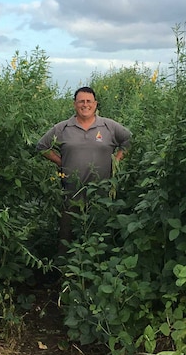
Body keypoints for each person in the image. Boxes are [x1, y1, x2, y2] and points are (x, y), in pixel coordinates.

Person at [37, 86, 131, 254]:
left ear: (95, 104)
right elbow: (42, 146)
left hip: (101, 193)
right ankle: (64, 273)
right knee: (67, 236)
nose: (85, 104)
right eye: (81, 101)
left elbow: (128, 140)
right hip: (71, 194)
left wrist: (116, 161)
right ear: (74, 104)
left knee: (100, 234)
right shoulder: (63, 128)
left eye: (89, 101)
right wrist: (61, 162)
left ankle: (97, 272)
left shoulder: (109, 126)